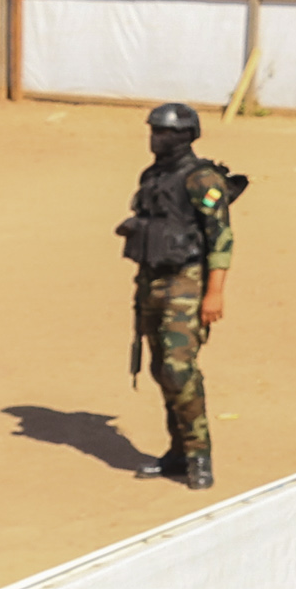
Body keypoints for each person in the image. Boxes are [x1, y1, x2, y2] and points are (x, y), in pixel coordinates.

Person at [117, 102, 236, 490]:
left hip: (186, 283)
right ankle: (178, 451)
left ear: (184, 136)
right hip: (150, 281)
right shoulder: (152, 176)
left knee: (179, 369)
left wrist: (213, 294)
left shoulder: (203, 180)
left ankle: (199, 455)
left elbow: (220, 239)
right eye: (153, 131)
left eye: (164, 132)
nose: (156, 138)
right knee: (160, 370)